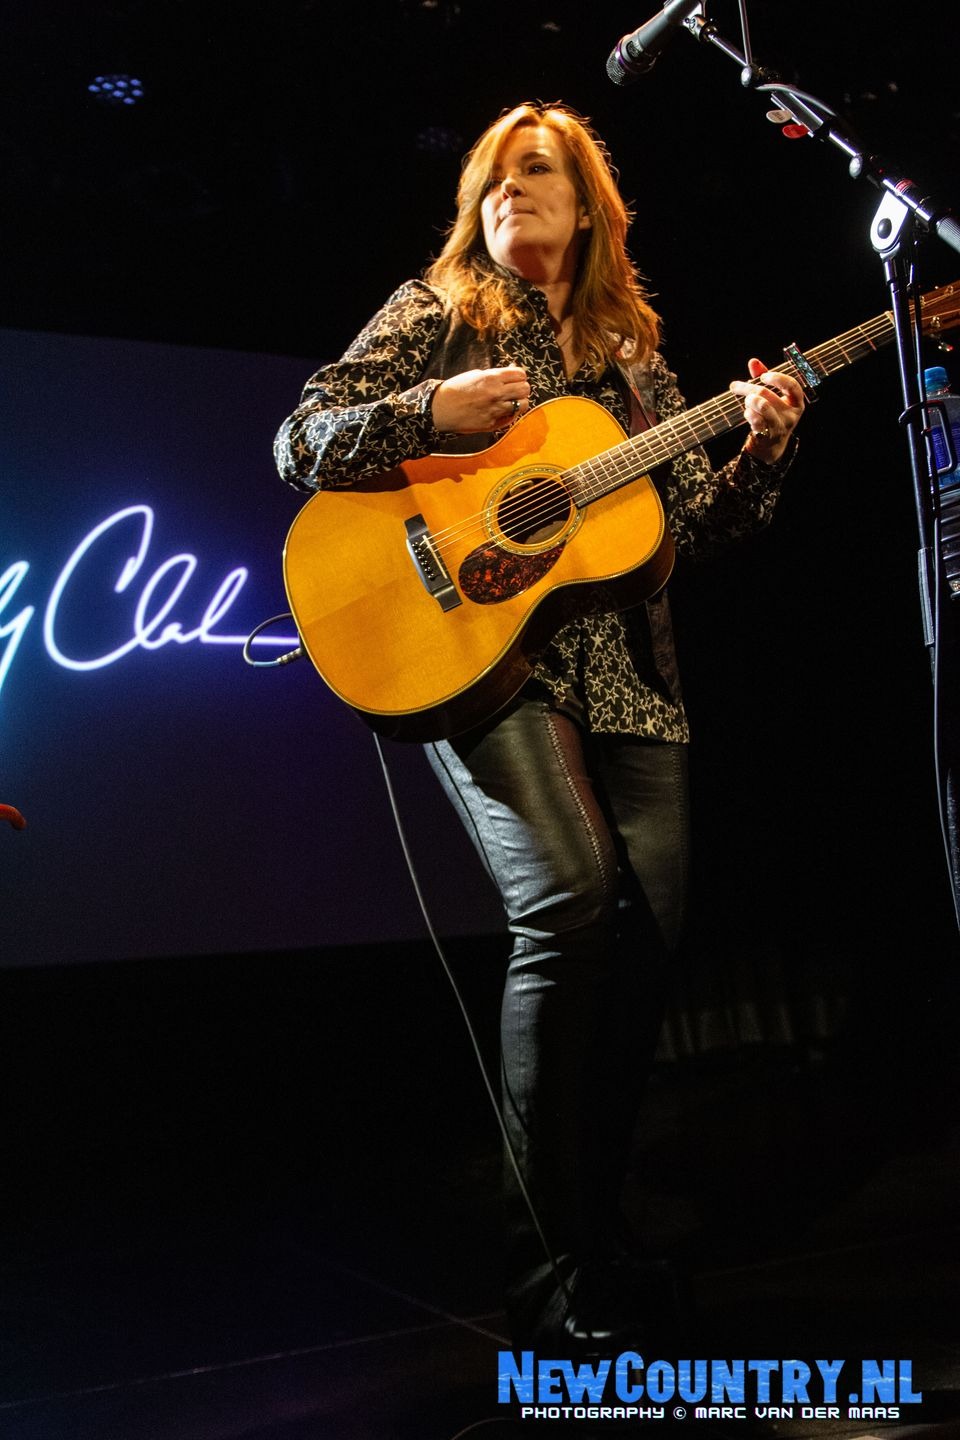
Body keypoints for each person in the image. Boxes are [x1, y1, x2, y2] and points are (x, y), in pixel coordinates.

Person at [274, 101, 805, 1354]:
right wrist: (430, 415)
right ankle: (547, 1277)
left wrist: (764, 451)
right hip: (488, 663)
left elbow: (692, 532)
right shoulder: (437, 311)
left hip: (633, 682)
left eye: (538, 172)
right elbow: (301, 440)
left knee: (647, 943)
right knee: (569, 898)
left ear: (588, 207)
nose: (512, 190)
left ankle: (597, 1240)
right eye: (497, 176)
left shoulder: (632, 355)